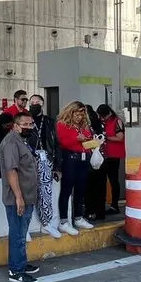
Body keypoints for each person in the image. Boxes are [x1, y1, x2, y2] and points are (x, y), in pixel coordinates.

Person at [0, 110, 44, 282]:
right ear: (15, 126)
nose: (29, 127)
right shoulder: (11, 143)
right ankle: (16, 271)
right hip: (17, 197)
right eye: (25, 125)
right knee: (17, 233)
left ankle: (21, 263)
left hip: (27, 195)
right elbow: (12, 171)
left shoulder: (21, 140)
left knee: (22, 232)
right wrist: (18, 197)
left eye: (31, 124)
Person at [55, 100, 100, 235]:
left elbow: (88, 139)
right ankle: (63, 221)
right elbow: (62, 142)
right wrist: (78, 139)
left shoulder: (85, 126)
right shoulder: (62, 125)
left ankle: (78, 217)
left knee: (81, 189)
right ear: (71, 112)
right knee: (66, 190)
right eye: (77, 114)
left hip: (84, 158)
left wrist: (93, 142)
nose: (79, 117)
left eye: (82, 114)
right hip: (70, 158)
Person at [25, 95, 61, 239]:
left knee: (46, 193)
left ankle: (46, 223)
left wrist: (57, 166)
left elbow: (56, 144)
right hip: (28, 162)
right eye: (32, 102)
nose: (34, 105)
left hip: (46, 161)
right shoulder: (25, 121)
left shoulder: (49, 122)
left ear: (43, 104)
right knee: (27, 193)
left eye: (37, 103)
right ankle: (24, 228)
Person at [97, 103, 125, 215]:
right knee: (103, 179)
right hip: (105, 154)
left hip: (114, 154)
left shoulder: (116, 121)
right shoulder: (105, 122)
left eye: (104, 116)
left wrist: (106, 138)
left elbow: (120, 137)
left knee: (113, 180)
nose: (102, 118)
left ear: (109, 113)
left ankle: (114, 205)